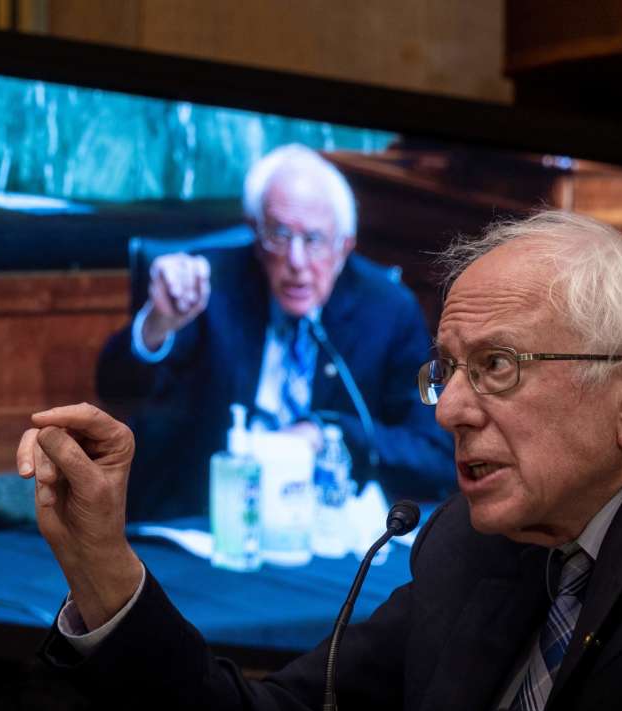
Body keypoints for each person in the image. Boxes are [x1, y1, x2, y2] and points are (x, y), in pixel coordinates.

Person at [18, 210, 622, 711]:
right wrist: (104, 566)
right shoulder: (470, 543)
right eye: (447, 371)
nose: (451, 411)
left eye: (498, 366)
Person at [96, 143, 455, 520]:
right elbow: (116, 392)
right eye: (280, 236)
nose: (296, 262)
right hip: (208, 522)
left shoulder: (387, 310)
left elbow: (434, 454)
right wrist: (156, 325)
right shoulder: (207, 288)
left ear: (344, 245)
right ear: (256, 233)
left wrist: (327, 435)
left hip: (323, 532)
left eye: (314, 240)